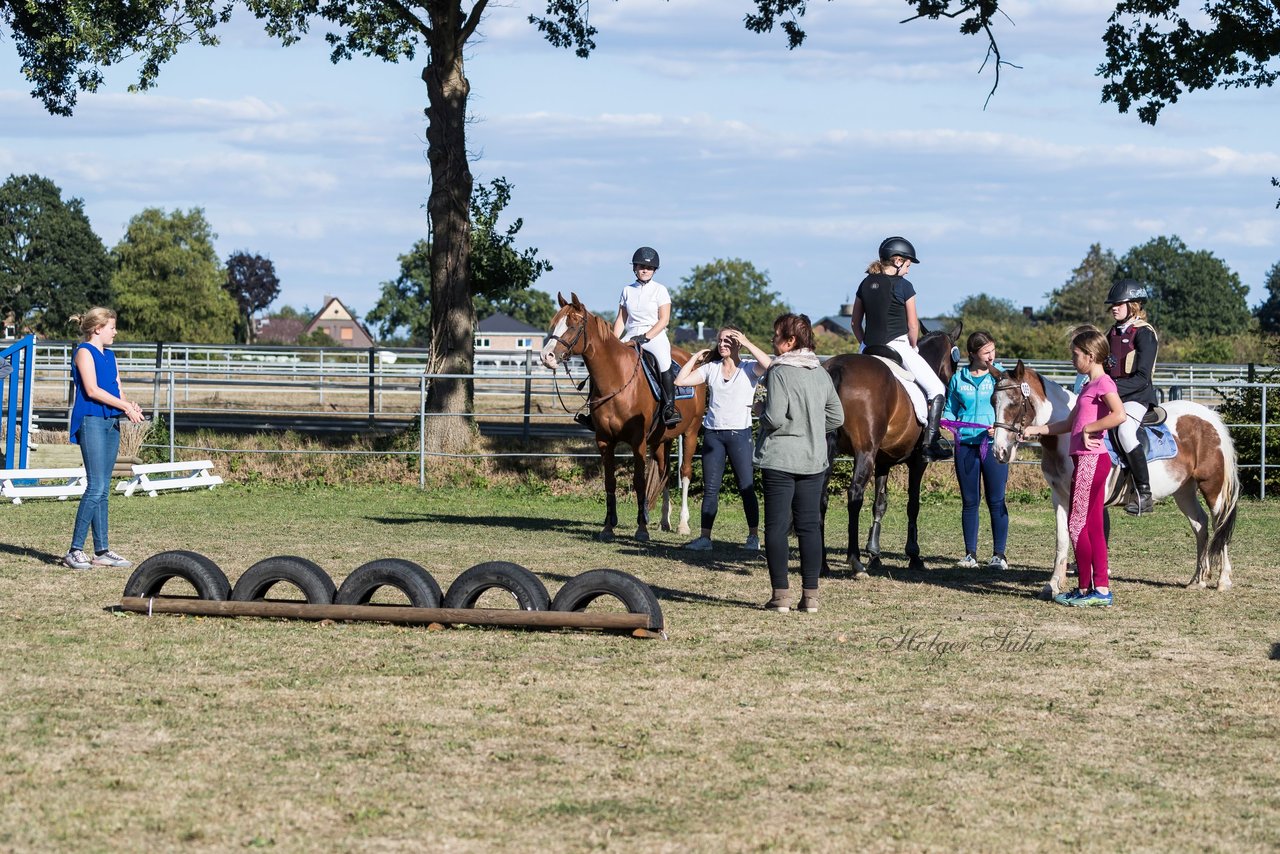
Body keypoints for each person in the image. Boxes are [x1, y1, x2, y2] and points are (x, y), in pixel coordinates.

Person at [1021, 327, 1126, 607]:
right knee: (1091, 526)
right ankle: (1099, 588)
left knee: (1077, 524)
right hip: (1084, 460)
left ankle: (1085, 589)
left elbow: (1119, 414)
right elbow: (1069, 424)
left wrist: (1092, 427)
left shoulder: (1103, 384)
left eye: (1075, 354)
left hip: (1091, 460)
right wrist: (1037, 429)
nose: (1072, 359)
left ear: (1090, 357)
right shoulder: (1088, 386)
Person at [753, 313, 844, 613]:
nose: (772, 340)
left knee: (776, 528)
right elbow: (837, 417)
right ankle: (811, 597)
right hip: (814, 458)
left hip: (781, 458)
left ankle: (780, 597)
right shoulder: (820, 372)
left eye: (776, 335)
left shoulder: (779, 372)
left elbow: (775, 417)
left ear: (790, 341)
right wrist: (812, 426)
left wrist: (760, 411)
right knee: (809, 528)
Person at [849, 236, 950, 461]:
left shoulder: (865, 283)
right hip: (898, 345)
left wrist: (864, 343)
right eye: (908, 264)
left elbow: (855, 323)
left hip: (868, 348)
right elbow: (913, 325)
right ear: (896, 261)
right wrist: (913, 346)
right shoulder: (904, 286)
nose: (909, 269)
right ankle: (930, 444)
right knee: (936, 389)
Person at [674, 327, 771, 552]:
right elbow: (680, 381)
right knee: (711, 489)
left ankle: (753, 536)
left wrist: (747, 342)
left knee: (746, 487)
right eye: (720, 340)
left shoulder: (749, 368)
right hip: (713, 435)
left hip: (740, 434)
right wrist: (695, 358)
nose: (722, 344)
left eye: (728, 340)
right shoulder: (711, 368)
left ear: (737, 343)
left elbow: (769, 365)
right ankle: (705, 538)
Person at [64, 307, 146, 571]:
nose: (115, 331)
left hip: (111, 423)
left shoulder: (110, 356)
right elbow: (92, 390)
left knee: (104, 490)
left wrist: (129, 406)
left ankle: (102, 551)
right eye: (112, 327)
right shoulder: (83, 353)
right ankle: (74, 550)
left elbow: (117, 388)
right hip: (92, 421)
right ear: (97, 328)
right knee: (96, 487)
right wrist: (124, 407)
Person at [942, 331, 1010, 570]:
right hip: (966, 447)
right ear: (972, 355)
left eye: (993, 350)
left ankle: (999, 555)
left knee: (996, 500)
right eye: (986, 352)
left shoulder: (1000, 376)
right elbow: (949, 410)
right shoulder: (958, 378)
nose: (991, 356)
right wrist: (950, 423)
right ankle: (970, 554)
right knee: (970, 501)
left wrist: (998, 428)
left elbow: (1008, 408)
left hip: (992, 447)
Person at [1105, 278, 1159, 515]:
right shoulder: (1112, 332)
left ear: (1133, 305)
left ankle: (1144, 493)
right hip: (1113, 395)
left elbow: (1143, 377)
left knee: (1125, 430)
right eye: (1112, 305)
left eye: (1118, 303)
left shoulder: (1144, 334)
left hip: (1138, 397)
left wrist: (1110, 390)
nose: (1113, 308)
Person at [614, 246, 680, 427]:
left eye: (649, 267)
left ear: (654, 270)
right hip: (631, 333)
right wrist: (613, 340)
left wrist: (646, 336)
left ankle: (669, 408)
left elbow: (664, 319)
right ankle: (594, 409)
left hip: (654, 335)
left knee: (664, 361)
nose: (645, 270)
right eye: (641, 266)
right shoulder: (627, 290)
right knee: (608, 360)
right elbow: (621, 318)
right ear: (634, 267)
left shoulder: (660, 290)